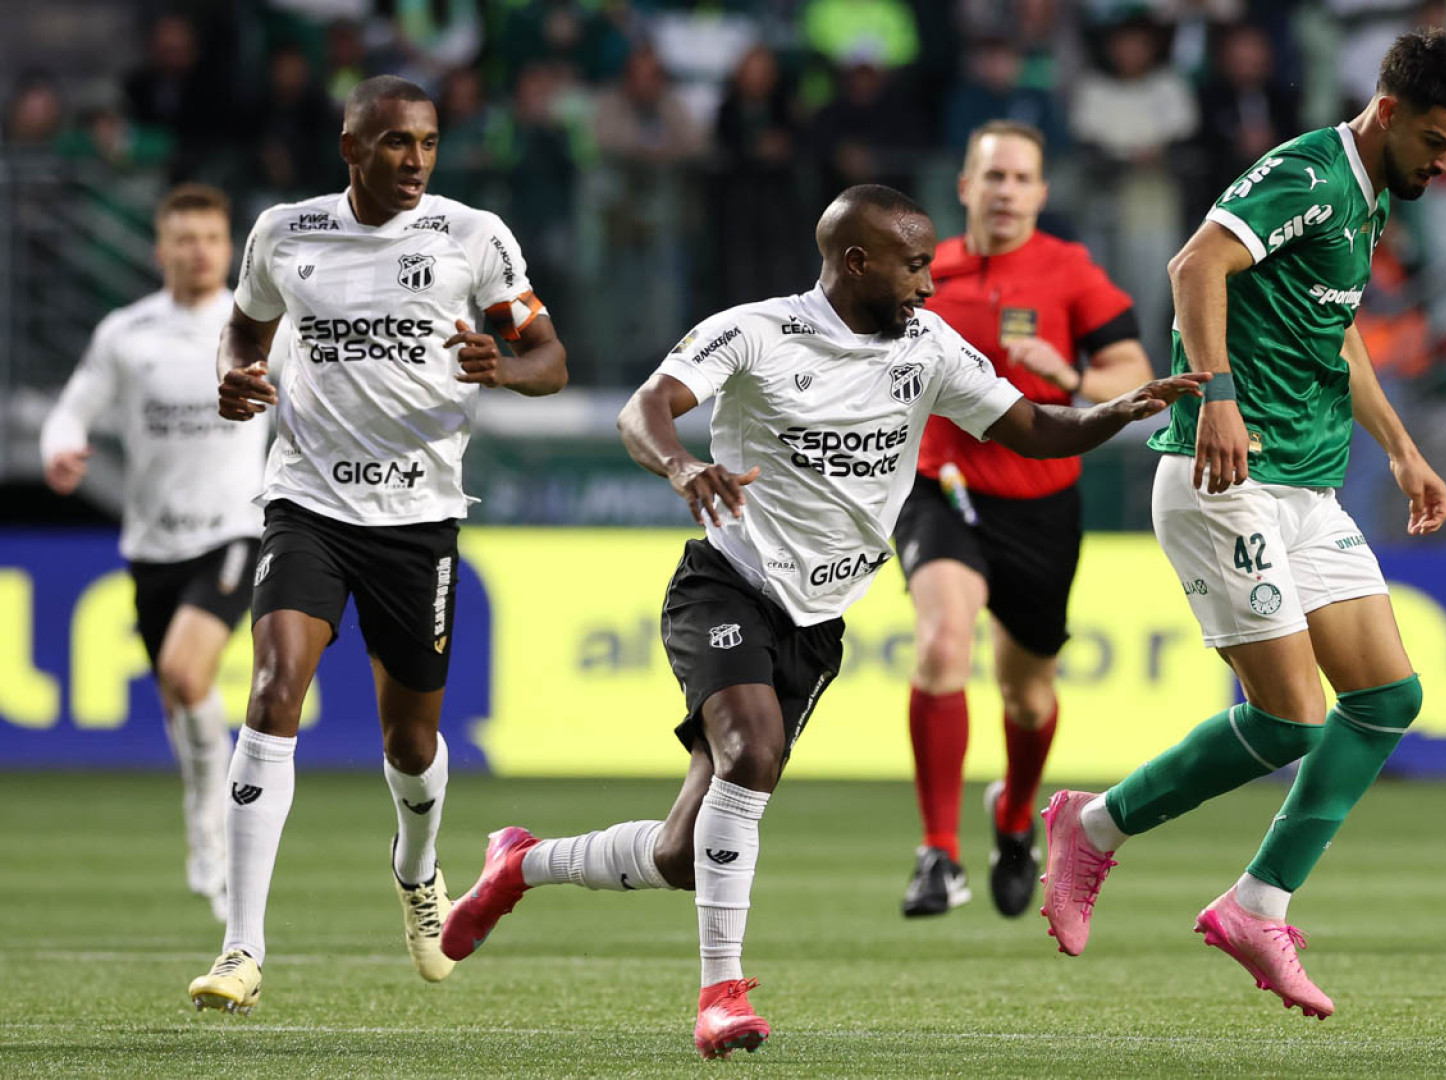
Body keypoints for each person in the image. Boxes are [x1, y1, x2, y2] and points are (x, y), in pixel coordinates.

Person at [437, 184, 1203, 1060]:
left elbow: (1029, 429)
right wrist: (685, 469)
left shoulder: (929, 346)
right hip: (726, 584)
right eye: (915, 265)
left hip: (816, 623)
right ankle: (719, 995)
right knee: (752, 752)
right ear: (856, 262)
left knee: (687, 853)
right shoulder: (757, 331)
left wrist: (1119, 411)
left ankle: (520, 863)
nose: (930, 281)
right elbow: (640, 410)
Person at [1040, 28, 1446, 1019]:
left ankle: (1258, 904)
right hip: (1224, 474)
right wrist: (1219, 395)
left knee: (1386, 699)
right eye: (1439, 141)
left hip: (1306, 488)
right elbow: (1193, 265)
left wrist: (1402, 449)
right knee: (1288, 717)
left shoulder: (1371, 201)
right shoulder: (1307, 172)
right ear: (1389, 113)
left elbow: (1335, 336)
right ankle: (1091, 828)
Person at [186, 76, 569, 1015]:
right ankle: (241, 949)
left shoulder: (473, 237)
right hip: (306, 505)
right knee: (275, 691)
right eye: (397, 143)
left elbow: (552, 360)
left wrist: (506, 369)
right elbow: (247, 322)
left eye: (429, 143)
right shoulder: (285, 232)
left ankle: (419, 869)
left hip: (419, 520)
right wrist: (235, 376)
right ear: (350, 147)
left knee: (412, 740)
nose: (416, 161)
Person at [894, 120, 1154, 919]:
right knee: (942, 642)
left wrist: (1071, 374)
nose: (1005, 190)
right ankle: (938, 856)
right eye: (992, 176)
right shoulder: (919, 269)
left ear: (1041, 193)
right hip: (938, 487)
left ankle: (1014, 820)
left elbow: (1134, 373)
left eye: (1020, 178)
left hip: (1040, 502)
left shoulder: (1070, 273)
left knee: (1029, 698)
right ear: (965, 187)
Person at [40, 183, 266, 924]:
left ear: (228, 245)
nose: (198, 250)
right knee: (181, 695)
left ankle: (213, 836)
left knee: (182, 670)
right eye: (184, 237)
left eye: (210, 236)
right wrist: (62, 446)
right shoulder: (125, 333)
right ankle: (204, 812)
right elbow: (72, 408)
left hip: (233, 529)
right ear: (160, 246)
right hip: (153, 543)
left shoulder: (261, 326)